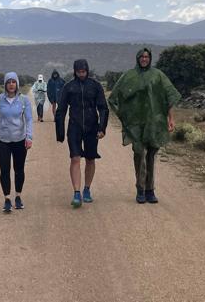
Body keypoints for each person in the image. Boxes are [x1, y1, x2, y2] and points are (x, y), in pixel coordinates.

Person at [108, 48, 181, 204]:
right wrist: (124, 117)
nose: (144, 59)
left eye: (147, 56)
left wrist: (171, 118)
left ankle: (150, 189)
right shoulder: (129, 76)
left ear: (150, 58)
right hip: (136, 124)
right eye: (141, 56)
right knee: (139, 154)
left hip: (154, 123)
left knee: (151, 156)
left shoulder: (158, 75)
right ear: (137, 58)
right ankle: (140, 189)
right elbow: (114, 98)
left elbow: (169, 96)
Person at [55, 59, 109, 207]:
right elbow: (61, 110)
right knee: (75, 158)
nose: (81, 74)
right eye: (78, 72)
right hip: (74, 127)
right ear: (75, 71)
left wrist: (102, 128)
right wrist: (59, 132)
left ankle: (87, 189)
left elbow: (103, 108)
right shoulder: (69, 87)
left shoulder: (96, 86)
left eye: (83, 72)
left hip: (92, 127)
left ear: (87, 70)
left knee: (90, 159)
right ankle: (76, 193)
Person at [0, 72, 33, 212]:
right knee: (4, 170)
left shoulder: (24, 100)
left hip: (20, 140)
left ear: (17, 84)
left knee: (19, 170)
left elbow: (29, 119)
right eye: (9, 82)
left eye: (14, 82)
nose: (11, 84)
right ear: (5, 84)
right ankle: (7, 198)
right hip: (3, 141)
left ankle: (18, 196)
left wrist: (29, 137)